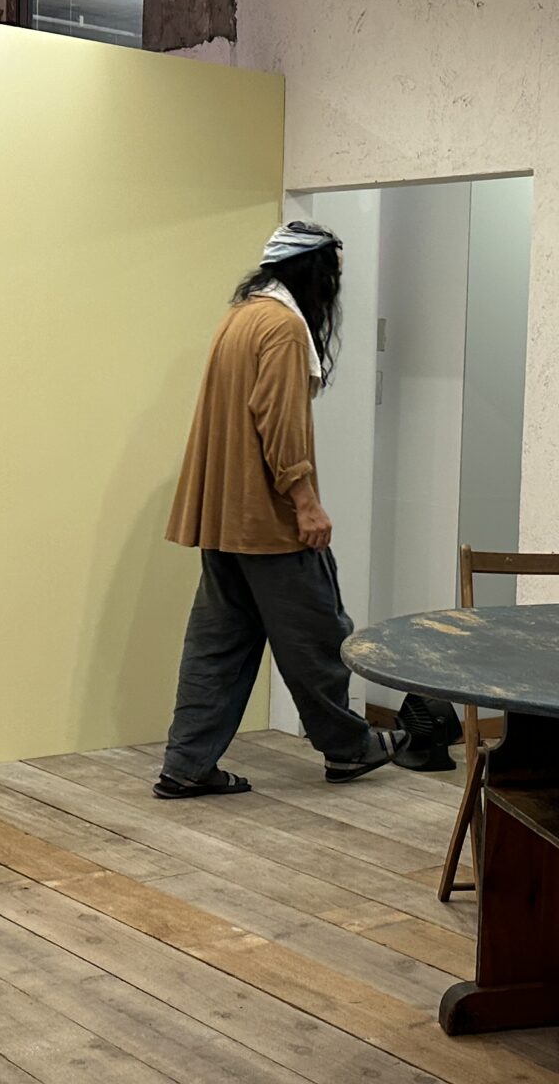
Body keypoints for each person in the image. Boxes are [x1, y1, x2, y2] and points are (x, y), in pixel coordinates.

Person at [153, 220, 401, 798]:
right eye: (334, 275)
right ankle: (349, 748)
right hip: (266, 519)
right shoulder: (284, 327)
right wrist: (305, 503)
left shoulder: (240, 317)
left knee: (217, 647)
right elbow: (279, 422)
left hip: (223, 520)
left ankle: (187, 764)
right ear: (313, 273)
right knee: (318, 634)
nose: (336, 288)